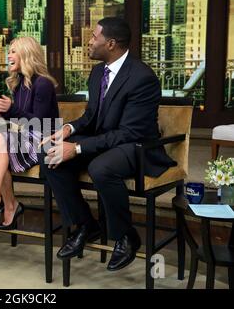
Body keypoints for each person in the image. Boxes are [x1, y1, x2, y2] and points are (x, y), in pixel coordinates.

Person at [39, 17, 176, 271]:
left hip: (136, 147)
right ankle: (85, 225)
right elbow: (92, 117)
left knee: (101, 168)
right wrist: (68, 130)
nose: (88, 42)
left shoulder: (142, 77)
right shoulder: (98, 72)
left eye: (93, 37)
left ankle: (126, 235)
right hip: (107, 142)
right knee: (49, 154)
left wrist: (78, 148)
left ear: (111, 43)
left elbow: (129, 132)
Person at [0, 36, 59, 230]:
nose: (9, 55)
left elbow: (39, 123)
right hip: (26, 137)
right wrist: (5, 111)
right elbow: (20, 123)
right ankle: (10, 206)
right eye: (9, 51)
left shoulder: (43, 84)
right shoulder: (19, 84)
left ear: (27, 54)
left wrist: (11, 110)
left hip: (45, 140)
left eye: (14, 51)